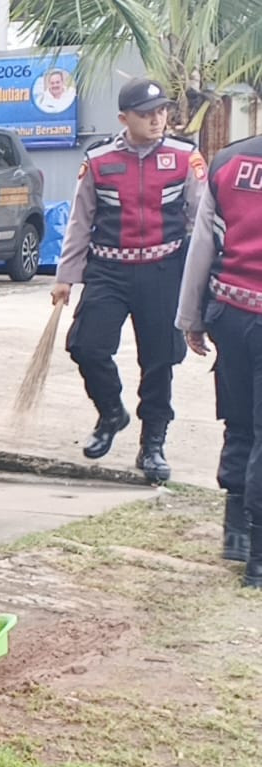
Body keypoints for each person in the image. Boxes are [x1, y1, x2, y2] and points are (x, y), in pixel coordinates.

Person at [53, 77, 205, 483]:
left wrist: (199, 279)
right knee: (85, 346)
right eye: (146, 114)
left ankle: (153, 443)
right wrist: (66, 276)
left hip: (163, 270)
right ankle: (110, 412)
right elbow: (80, 220)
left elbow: (201, 220)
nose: (157, 119)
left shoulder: (185, 156)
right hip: (108, 269)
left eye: (161, 111)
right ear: (124, 119)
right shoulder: (99, 159)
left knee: (159, 361)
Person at [175, 133, 262, 584]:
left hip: (230, 311)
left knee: (241, 421)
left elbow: (203, 246)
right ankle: (258, 560)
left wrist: (190, 316)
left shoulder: (229, 161)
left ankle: (236, 533)